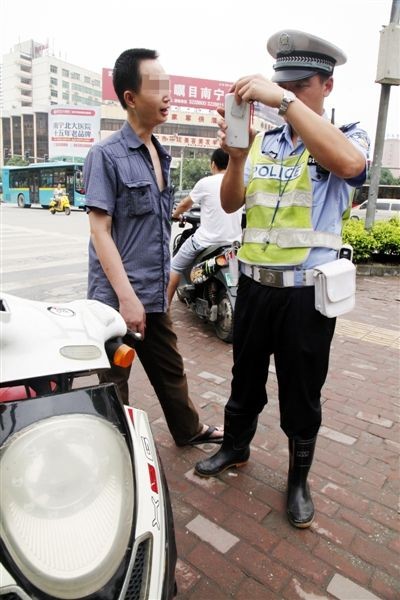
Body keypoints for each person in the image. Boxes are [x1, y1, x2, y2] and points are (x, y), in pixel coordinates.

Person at [194, 30, 370, 528]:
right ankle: (234, 448)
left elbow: (352, 166)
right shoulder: (265, 139)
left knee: (301, 389)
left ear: (326, 86)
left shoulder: (346, 133)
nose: (285, 90)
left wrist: (285, 103)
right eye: (281, 82)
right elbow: (231, 203)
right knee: (244, 378)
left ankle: (298, 479)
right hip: (253, 287)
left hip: (305, 296)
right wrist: (238, 153)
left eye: (299, 83)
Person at [83, 48, 223, 447]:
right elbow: (100, 231)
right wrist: (127, 300)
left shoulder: (160, 153)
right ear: (130, 98)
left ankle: (188, 430)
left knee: (170, 368)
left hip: (154, 293)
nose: (168, 95)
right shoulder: (105, 155)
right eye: (157, 87)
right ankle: (116, 450)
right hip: (117, 299)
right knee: (114, 379)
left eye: (169, 87)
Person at [167, 148, 243, 306]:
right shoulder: (241, 182)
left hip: (205, 242)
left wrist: (175, 215)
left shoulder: (206, 183)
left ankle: (164, 308)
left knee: (175, 266)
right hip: (234, 243)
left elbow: (184, 204)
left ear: (213, 165)